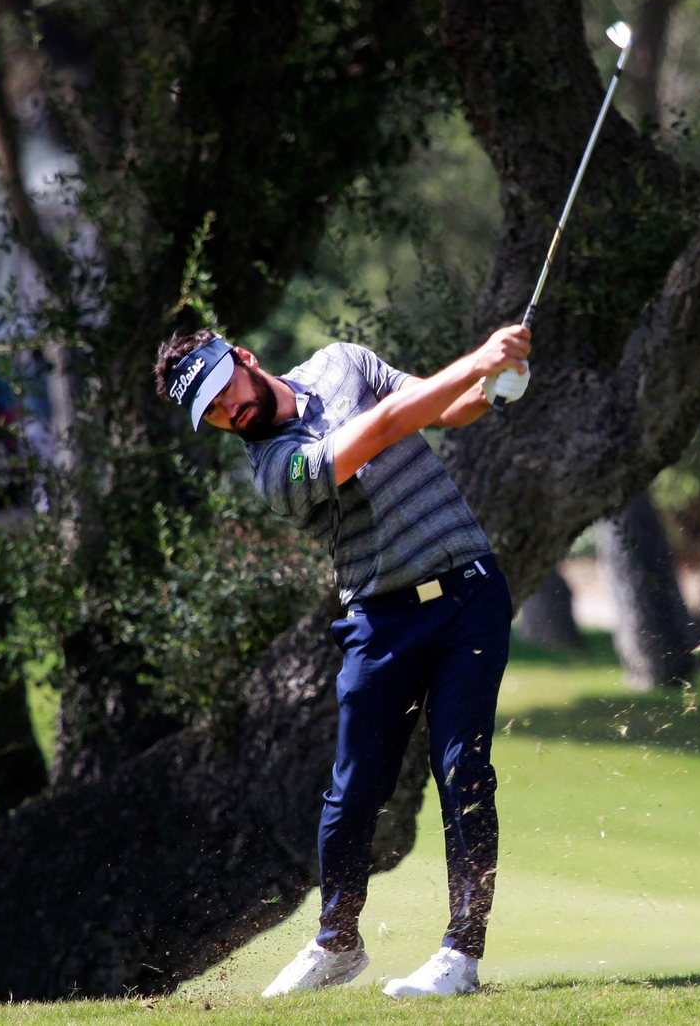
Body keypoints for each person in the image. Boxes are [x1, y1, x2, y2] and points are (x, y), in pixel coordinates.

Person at [152, 323, 531, 999]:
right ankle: (337, 941)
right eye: (208, 412)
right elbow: (381, 429)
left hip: (470, 592)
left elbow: (441, 408)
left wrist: (490, 384)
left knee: (462, 768)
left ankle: (462, 953)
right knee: (352, 789)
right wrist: (474, 357)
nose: (226, 412)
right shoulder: (274, 469)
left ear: (243, 358)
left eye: (223, 390)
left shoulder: (342, 363)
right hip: (382, 620)